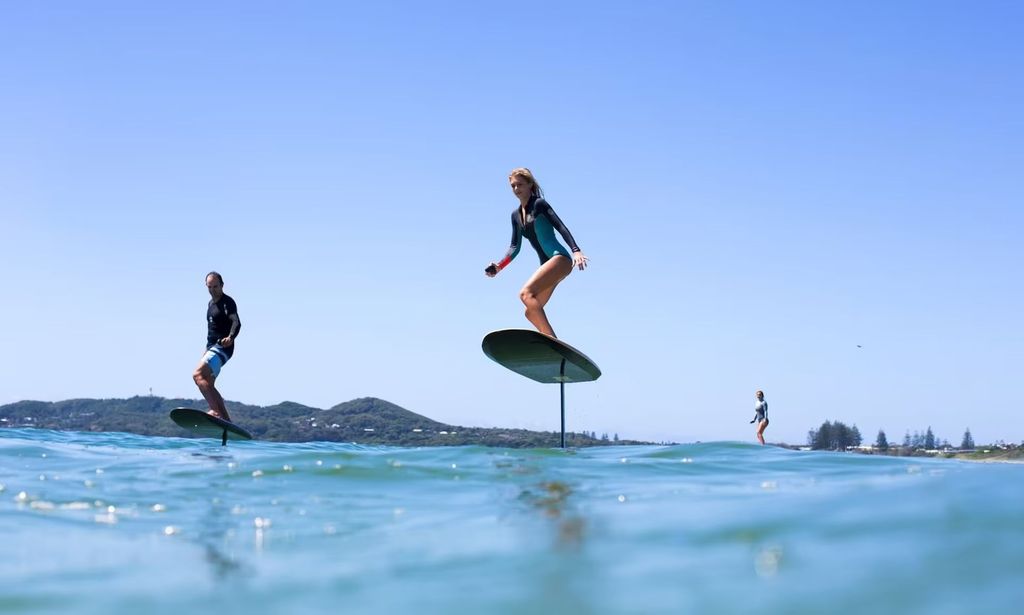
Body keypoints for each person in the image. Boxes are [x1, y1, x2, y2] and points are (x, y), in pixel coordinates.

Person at [485, 168, 588, 338]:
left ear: (530, 185)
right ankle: (549, 343)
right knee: (531, 312)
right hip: (547, 265)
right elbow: (514, 247)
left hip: (559, 259)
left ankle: (552, 340)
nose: (516, 189)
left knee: (525, 294)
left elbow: (561, 226)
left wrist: (576, 250)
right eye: (513, 186)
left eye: (520, 184)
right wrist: (499, 267)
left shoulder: (539, 204)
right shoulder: (516, 216)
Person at [193, 271, 241, 422]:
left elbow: (236, 322)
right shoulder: (210, 305)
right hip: (212, 348)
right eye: (209, 287)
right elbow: (211, 333)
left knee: (197, 375)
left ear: (222, 285)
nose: (213, 290)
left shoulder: (228, 302)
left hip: (223, 347)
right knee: (208, 383)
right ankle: (227, 421)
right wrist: (205, 352)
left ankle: (215, 410)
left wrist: (231, 337)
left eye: (216, 286)